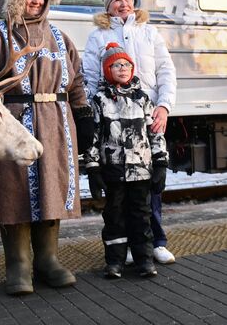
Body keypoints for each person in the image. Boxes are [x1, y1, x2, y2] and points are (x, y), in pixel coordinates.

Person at [0, 0, 93, 295]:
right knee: (14, 193)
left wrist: (83, 114)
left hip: (55, 123)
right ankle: (18, 265)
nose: (36, 1)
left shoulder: (60, 38)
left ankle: (48, 261)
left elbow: (76, 81)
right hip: (13, 124)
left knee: (52, 187)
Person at [83, 0, 177, 265]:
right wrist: (93, 112)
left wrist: (163, 106)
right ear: (108, 6)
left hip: (145, 116)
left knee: (148, 183)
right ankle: (122, 246)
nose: (123, 4)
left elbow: (165, 69)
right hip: (111, 118)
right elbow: (88, 76)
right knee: (118, 192)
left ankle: (155, 242)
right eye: (116, 0)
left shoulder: (149, 32)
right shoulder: (98, 36)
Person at [85, 43, 168, 278]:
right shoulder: (100, 100)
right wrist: (93, 168)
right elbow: (93, 137)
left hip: (141, 171)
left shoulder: (143, 99)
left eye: (127, 65)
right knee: (114, 216)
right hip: (113, 171)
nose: (122, 68)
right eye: (116, 65)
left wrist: (161, 164)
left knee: (141, 215)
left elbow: (155, 134)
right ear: (107, 70)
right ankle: (115, 262)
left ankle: (144, 260)